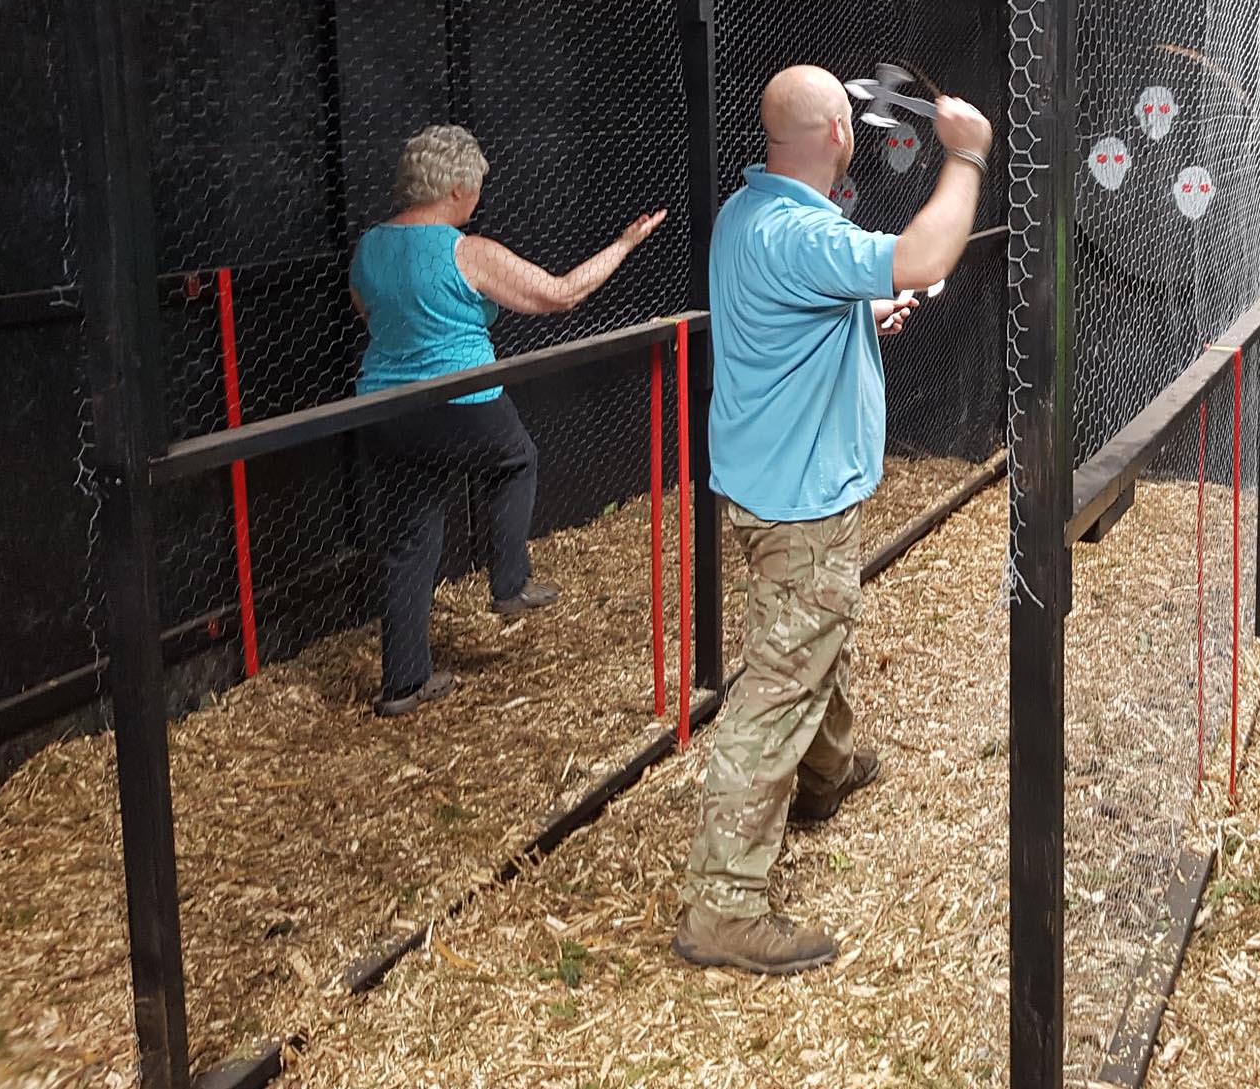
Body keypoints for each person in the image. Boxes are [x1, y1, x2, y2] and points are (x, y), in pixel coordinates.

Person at [669, 66, 993, 974]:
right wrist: (964, 156)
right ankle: (724, 905)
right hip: (798, 497)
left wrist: (861, 311)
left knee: (813, 630)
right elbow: (927, 255)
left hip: (775, 481)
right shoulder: (799, 230)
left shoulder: (748, 212)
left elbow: (798, 304)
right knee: (780, 680)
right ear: (843, 138)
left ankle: (826, 772)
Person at [350, 124, 666, 718]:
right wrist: (624, 245)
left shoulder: (370, 245)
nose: (479, 196)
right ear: (454, 189)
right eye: (475, 185)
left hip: (383, 411)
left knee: (409, 540)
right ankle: (509, 582)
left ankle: (403, 684)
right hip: (460, 399)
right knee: (515, 459)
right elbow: (562, 294)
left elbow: (366, 309)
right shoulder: (466, 251)